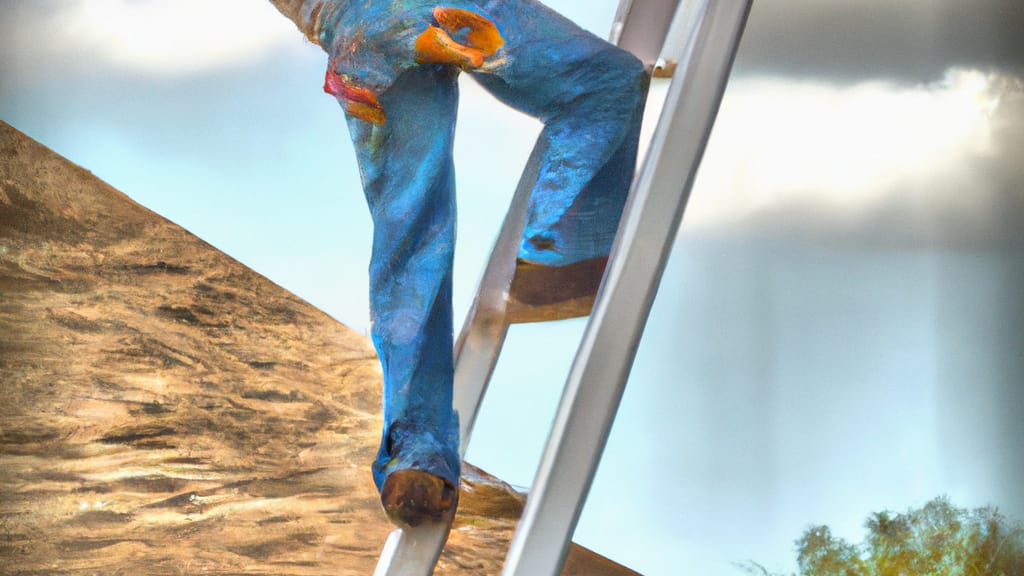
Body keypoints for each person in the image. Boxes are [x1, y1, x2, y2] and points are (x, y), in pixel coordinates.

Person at [270, 0, 645, 527]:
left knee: (409, 237)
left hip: (355, 39)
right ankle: (557, 256)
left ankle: (415, 457)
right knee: (606, 83)